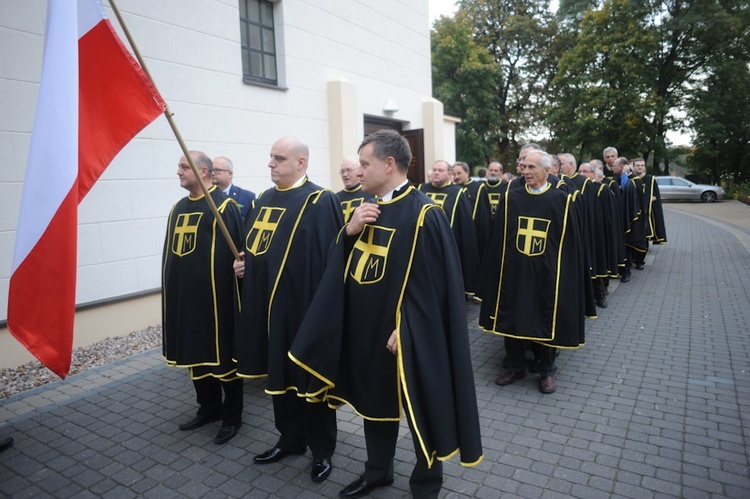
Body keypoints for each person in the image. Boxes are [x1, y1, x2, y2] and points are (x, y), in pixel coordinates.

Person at [290, 129, 483, 499]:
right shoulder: (363, 209)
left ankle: (426, 484)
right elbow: (343, 271)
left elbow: (436, 289)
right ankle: (378, 471)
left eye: (365, 164)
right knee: (372, 403)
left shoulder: (426, 214)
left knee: (421, 408)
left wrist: (408, 329)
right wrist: (348, 232)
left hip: (403, 336)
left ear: (389, 164)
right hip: (365, 329)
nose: (358, 172)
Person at [233, 137, 342, 482]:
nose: (270, 164)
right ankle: (290, 439)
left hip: (303, 309)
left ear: (301, 163)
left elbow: (331, 260)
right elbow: (259, 248)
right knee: (278, 376)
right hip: (268, 307)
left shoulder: (320, 200)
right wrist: (246, 265)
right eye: (270, 158)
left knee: (309, 382)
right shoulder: (264, 199)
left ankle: (322, 451)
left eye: (278, 158)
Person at [479, 150, 588, 394]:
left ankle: (546, 370)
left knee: (546, 318)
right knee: (513, 316)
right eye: (523, 166)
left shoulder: (562, 200)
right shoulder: (511, 198)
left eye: (531, 167)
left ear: (547, 171)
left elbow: (571, 245)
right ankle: (516, 365)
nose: (525, 171)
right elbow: (499, 240)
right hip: (514, 272)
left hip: (548, 273)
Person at [162, 151, 244, 445]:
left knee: (223, 357)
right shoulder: (178, 208)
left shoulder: (225, 206)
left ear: (205, 172)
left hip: (216, 300)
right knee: (195, 355)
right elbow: (171, 258)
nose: (179, 172)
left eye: (185, 167)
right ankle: (208, 408)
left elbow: (239, 256)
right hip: (188, 299)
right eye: (179, 166)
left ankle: (232, 417)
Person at [419, 160, 480, 297]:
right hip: (424, 242)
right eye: (434, 169)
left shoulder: (458, 193)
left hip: (446, 244)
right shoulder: (421, 189)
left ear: (449, 174)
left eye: (440, 170)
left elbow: (464, 227)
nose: (436, 173)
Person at [632, 158, 667, 260]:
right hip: (633, 211)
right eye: (637, 165)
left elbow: (655, 197)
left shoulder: (650, 179)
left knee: (644, 236)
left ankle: (640, 260)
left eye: (642, 165)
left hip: (646, 212)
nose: (640, 167)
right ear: (633, 167)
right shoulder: (631, 179)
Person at [336, 157, 373, 223]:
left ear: (359, 171)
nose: (345, 174)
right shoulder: (335, 198)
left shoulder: (371, 194)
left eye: (349, 170)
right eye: (342, 172)